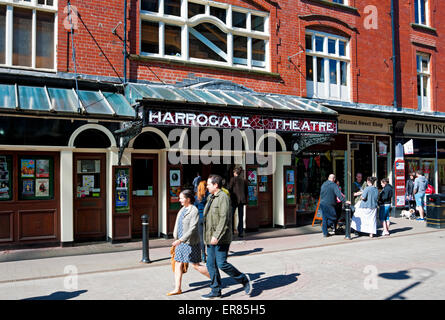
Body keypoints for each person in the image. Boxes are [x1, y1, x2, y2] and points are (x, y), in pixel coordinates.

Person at [201, 174, 251, 299]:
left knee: (221, 263)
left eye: (208, 184)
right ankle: (216, 290)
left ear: (215, 185)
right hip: (210, 237)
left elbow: (224, 218)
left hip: (221, 237)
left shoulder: (223, 197)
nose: (206, 186)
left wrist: (216, 235)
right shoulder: (210, 197)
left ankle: (243, 279)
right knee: (210, 264)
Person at [168, 189, 210, 296]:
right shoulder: (182, 210)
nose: (179, 200)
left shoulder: (194, 210)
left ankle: (215, 278)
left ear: (188, 199)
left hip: (190, 243)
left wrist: (180, 240)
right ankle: (178, 288)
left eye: (181, 198)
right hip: (180, 242)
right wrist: (175, 237)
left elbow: (192, 228)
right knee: (178, 263)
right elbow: (178, 224)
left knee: (195, 265)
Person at [228, 166, 248, 237]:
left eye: (233, 172)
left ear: (235, 173)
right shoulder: (244, 180)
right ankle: (241, 232)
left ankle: (232, 231)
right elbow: (246, 191)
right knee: (240, 216)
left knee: (231, 216)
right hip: (242, 200)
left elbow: (229, 189)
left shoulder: (233, 179)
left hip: (234, 200)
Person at [195, 180, 209, 263]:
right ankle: (210, 254)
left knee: (201, 238)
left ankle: (203, 255)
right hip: (207, 218)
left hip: (200, 219)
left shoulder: (197, 197)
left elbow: (195, 208)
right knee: (208, 237)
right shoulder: (208, 196)